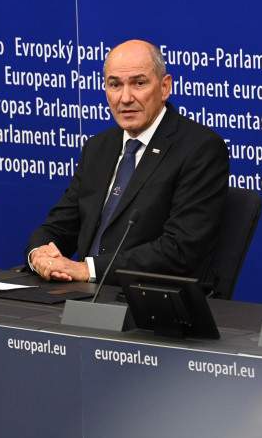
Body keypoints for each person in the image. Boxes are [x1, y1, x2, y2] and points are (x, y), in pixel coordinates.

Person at [25, 39, 229, 286]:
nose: (126, 97)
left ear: (165, 87)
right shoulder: (98, 147)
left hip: (150, 299)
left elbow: (180, 250)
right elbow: (60, 226)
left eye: (139, 83)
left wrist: (86, 269)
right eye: (115, 85)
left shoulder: (200, 148)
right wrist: (40, 254)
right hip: (82, 294)